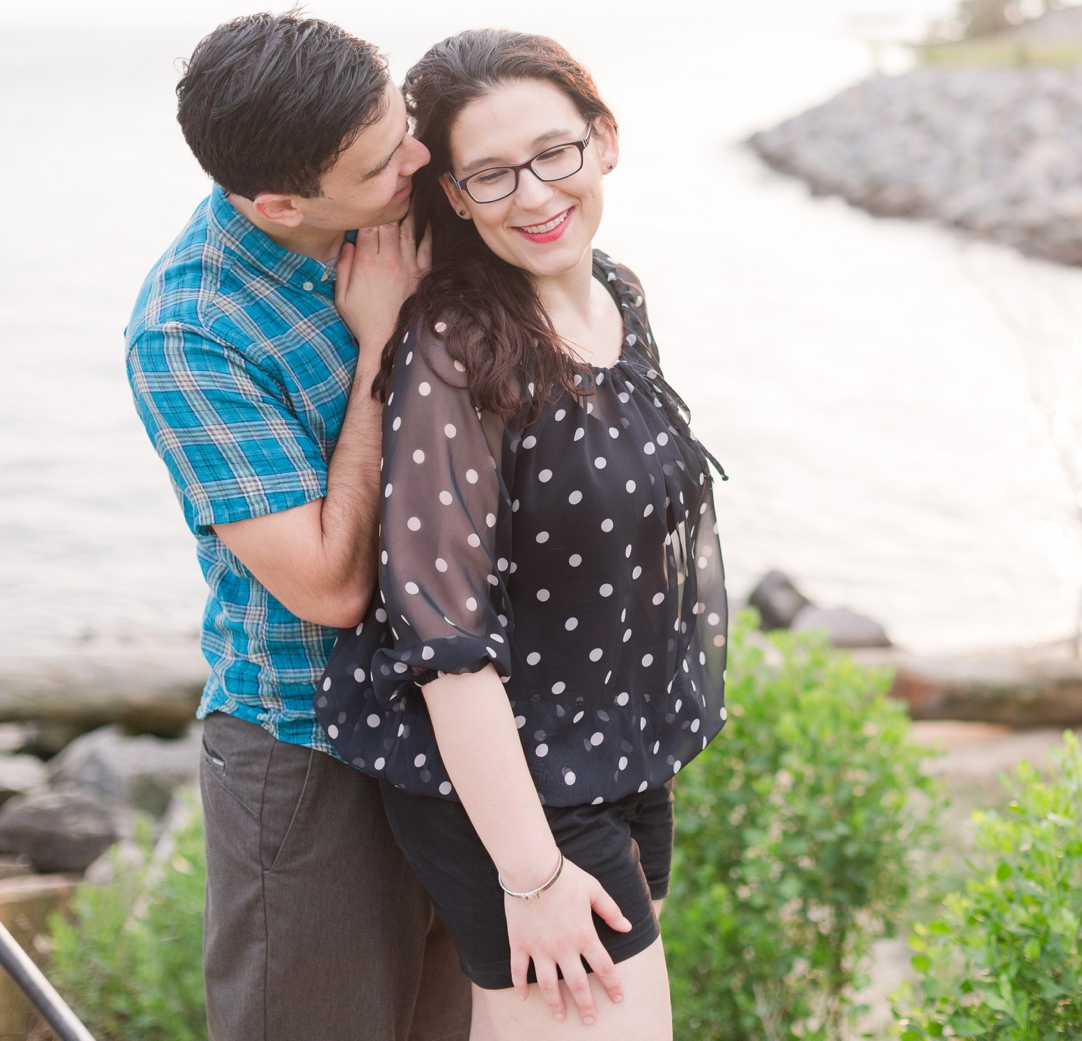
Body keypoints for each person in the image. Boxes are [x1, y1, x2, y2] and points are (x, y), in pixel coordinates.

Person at [313, 29, 728, 1040]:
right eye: (491, 174)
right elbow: (444, 647)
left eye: (556, 154)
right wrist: (533, 874)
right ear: (452, 194)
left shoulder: (618, 293)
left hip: (619, 756)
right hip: (518, 788)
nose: (536, 196)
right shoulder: (456, 347)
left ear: (605, 140)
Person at [125, 13, 469, 1040]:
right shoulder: (191, 329)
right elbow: (326, 585)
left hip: (460, 713)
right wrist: (377, 353)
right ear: (279, 204)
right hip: (308, 741)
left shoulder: (404, 190)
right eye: (379, 163)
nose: (417, 157)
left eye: (402, 123)